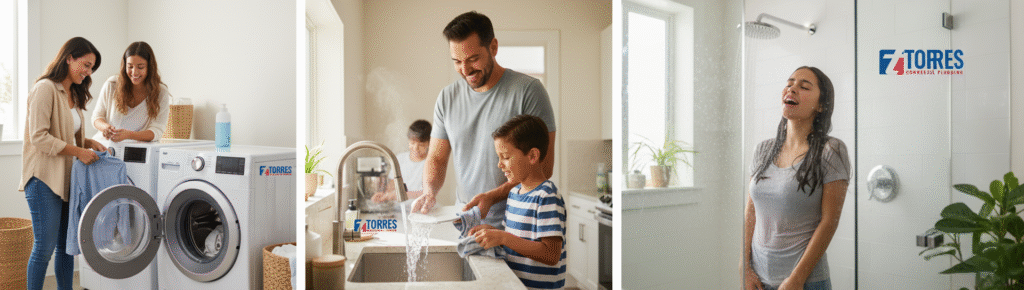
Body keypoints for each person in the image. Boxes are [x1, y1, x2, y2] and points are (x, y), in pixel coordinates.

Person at [411, 11, 557, 229]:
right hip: (467, 224)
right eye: (457, 61)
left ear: (494, 47)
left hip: (517, 225)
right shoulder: (447, 98)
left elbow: (544, 166)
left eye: (473, 59)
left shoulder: (529, 91)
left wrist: (492, 197)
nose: (465, 69)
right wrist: (429, 191)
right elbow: (437, 159)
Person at [743, 66, 850, 290]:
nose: (792, 88)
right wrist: (745, 267)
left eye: (804, 86)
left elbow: (829, 221)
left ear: (821, 105)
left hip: (804, 282)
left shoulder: (831, 150)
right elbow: (751, 212)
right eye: (790, 83)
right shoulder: (762, 150)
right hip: (757, 279)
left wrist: (797, 279)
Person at [20, 36, 107, 290]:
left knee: (67, 249)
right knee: (44, 249)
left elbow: (66, 131)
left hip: (68, 180)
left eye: (92, 68)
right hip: (43, 180)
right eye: (86, 64)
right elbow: (39, 136)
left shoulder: (72, 93)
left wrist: (88, 142)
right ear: (69, 58)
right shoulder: (45, 88)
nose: (88, 72)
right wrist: (79, 151)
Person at [471, 114, 565, 289]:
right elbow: (516, 238)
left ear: (532, 156)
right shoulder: (514, 193)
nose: (500, 164)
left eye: (505, 157)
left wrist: (503, 238)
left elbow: (551, 254)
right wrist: (492, 232)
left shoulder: (547, 197)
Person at [91, 41, 171, 145]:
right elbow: (97, 117)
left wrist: (129, 135)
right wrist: (105, 127)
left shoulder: (161, 92)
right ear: (124, 66)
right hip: (103, 146)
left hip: (134, 153)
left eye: (140, 67)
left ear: (150, 67)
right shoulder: (112, 84)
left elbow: (157, 131)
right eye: (130, 66)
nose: (134, 72)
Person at [373, 119, 431, 203]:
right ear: (408, 140)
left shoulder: (431, 163)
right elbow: (392, 184)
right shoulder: (400, 159)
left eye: (421, 145)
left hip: (422, 211)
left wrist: (398, 194)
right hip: (400, 210)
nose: (415, 148)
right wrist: (384, 194)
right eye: (412, 143)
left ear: (429, 143)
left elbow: (427, 193)